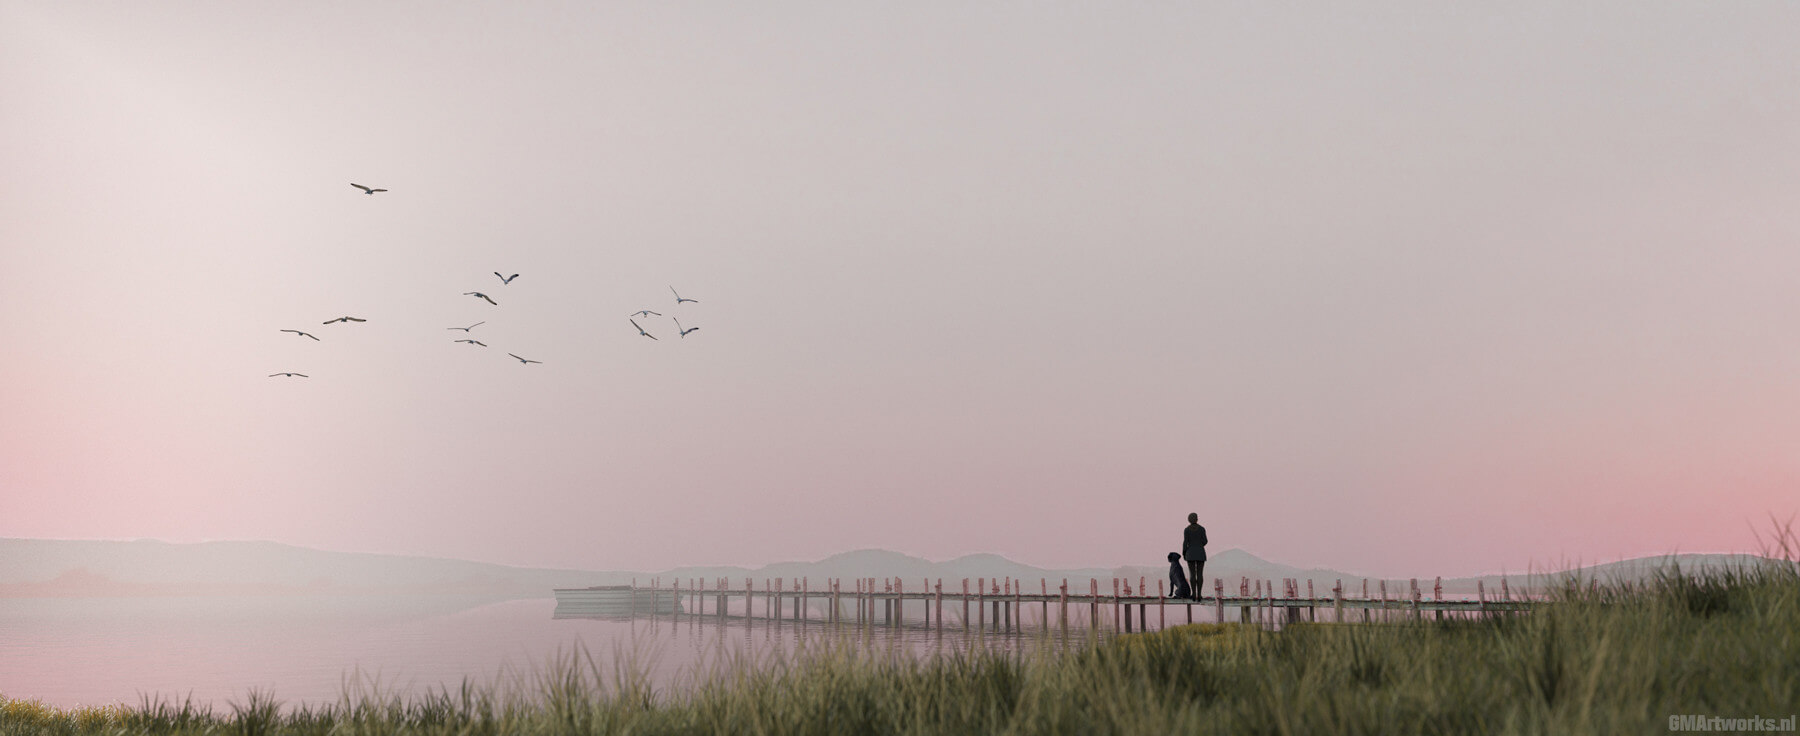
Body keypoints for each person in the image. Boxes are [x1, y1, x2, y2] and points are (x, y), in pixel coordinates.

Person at [1183, 512, 1207, 594]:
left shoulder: (1186, 530)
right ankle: (1199, 594)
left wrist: (1184, 553)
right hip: (1200, 554)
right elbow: (1205, 541)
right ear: (1197, 519)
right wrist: (1199, 545)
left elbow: (1185, 543)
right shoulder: (1202, 529)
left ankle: (1193, 594)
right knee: (1200, 575)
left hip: (1190, 554)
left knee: (1192, 575)